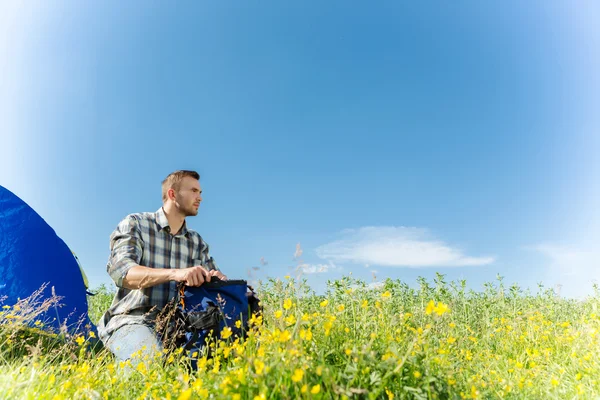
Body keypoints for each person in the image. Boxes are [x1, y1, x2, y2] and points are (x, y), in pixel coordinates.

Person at [97, 170, 227, 361]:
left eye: (200, 192)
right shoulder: (136, 224)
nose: (199, 197)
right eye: (193, 191)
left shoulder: (197, 242)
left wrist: (218, 281)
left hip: (184, 326)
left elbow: (215, 287)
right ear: (173, 194)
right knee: (147, 360)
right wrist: (176, 273)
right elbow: (123, 273)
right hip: (133, 320)